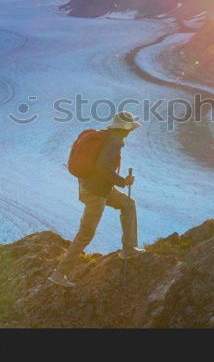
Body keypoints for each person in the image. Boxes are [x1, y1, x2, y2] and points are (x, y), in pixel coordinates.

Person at [48, 112, 145, 288]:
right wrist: (123, 182)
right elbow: (103, 167)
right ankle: (59, 274)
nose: (131, 131)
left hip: (93, 187)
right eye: (130, 128)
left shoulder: (106, 135)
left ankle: (129, 249)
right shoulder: (114, 141)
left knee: (128, 204)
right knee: (85, 234)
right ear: (125, 129)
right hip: (96, 193)